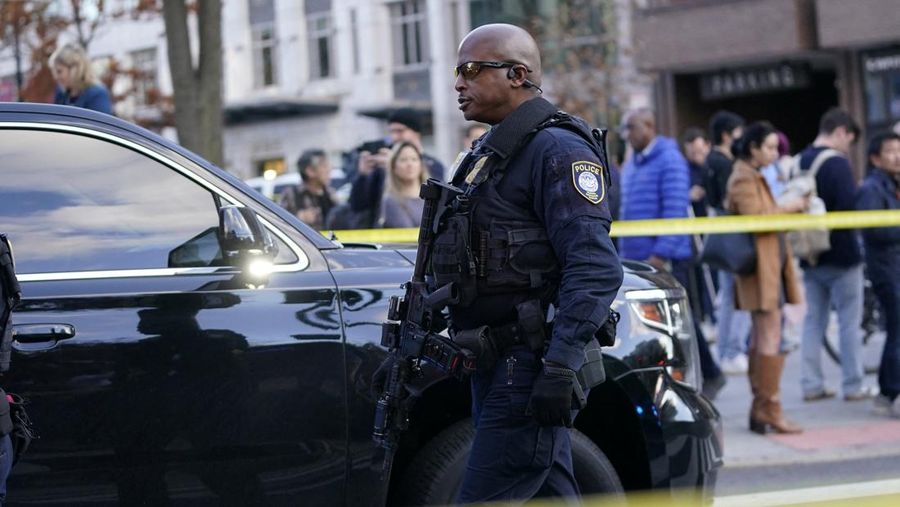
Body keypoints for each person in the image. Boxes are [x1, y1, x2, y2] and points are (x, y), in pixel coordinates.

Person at [438, 23, 623, 502]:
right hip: (497, 361)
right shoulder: (492, 152)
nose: (458, 84)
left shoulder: (558, 149)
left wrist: (560, 366)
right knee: (551, 494)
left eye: (471, 70)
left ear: (517, 75)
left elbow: (594, 266)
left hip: (529, 365)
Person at [619, 109, 725, 400]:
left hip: (663, 259)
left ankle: (708, 374)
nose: (627, 134)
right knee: (659, 326)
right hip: (638, 260)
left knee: (678, 323)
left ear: (649, 126)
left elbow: (675, 209)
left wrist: (661, 253)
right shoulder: (633, 163)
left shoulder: (669, 160)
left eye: (631, 127)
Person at [725, 121, 808, 434]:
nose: (775, 153)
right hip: (760, 268)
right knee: (768, 336)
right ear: (753, 148)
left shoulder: (753, 174)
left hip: (769, 265)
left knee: (765, 337)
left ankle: (762, 408)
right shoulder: (743, 176)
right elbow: (757, 218)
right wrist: (791, 208)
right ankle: (768, 408)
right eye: (770, 147)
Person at [798, 108, 874, 402]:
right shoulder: (838, 164)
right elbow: (848, 206)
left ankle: (811, 384)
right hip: (842, 255)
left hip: (810, 253)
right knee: (848, 322)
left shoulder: (800, 160)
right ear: (841, 132)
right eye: (849, 141)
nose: (848, 147)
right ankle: (853, 384)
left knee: (813, 321)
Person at [855, 132, 900, 418]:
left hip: (894, 266)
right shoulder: (872, 188)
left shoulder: (892, 184)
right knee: (897, 329)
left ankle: (886, 392)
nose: (897, 156)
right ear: (875, 158)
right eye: (891, 151)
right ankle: (893, 391)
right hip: (886, 268)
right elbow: (872, 228)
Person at [707, 111, 751, 375]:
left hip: (719, 232)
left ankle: (725, 351)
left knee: (727, 296)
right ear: (726, 135)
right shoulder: (726, 164)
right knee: (737, 294)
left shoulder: (711, 161)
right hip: (732, 232)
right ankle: (733, 350)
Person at [348, 108, 446, 227]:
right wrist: (363, 175)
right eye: (391, 131)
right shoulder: (380, 167)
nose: (394, 137)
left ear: (416, 132)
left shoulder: (433, 165)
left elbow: (438, 199)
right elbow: (358, 205)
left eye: (400, 131)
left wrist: (394, 164)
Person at [278, 149, 337, 230]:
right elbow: (277, 223)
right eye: (324, 166)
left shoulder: (330, 193)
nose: (329, 170)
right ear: (310, 171)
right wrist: (297, 219)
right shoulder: (291, 194)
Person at [49, 42, 113, 115]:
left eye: (59, 71)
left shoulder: (97, 95)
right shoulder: (61, 95)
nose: (55, 77)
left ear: (75, 69)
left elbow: (99, 121)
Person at [377, 142, 429, 228]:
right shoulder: (390, 200)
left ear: (421, 165)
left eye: (414, 159)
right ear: (394, 167)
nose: (410, 164)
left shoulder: (432, 197)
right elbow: (408, 231)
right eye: (403, 160)